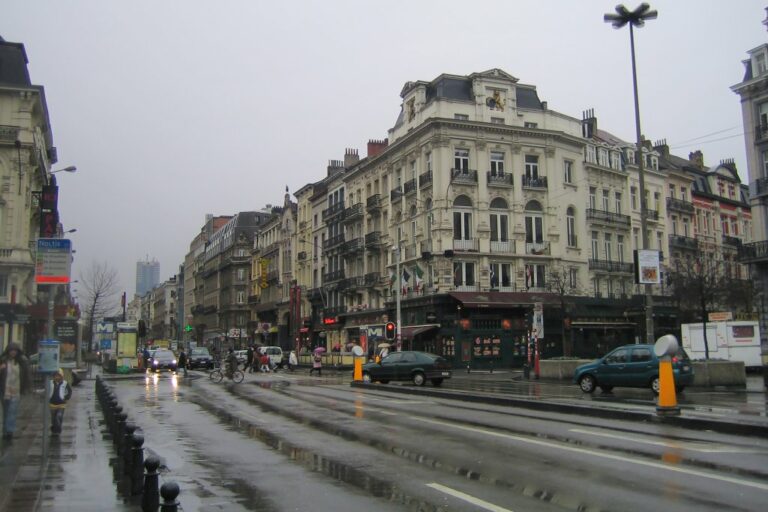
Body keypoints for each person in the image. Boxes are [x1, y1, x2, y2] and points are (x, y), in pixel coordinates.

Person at [0, 343, 32, 441]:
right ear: (8, 351)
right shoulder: (3, 360)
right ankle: (5, 431)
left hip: (16, 390)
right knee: (6, 411)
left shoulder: (22, 362)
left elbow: (27, 375)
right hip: (4, 390)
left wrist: (28, 387)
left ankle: (10, 431)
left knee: (12, 411)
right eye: (11, 350)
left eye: (15, 350)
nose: (13, 352)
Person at [48, 368, 72, 436]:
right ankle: (54, 428)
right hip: (52, 404)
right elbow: (47, 390)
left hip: (61, 404)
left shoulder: (65, 383)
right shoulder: (51, 383)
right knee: (53, 418)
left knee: (59, 416)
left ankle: (58, 429)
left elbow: (69, 392)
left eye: (58, 375)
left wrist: (66, 398)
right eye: (55, 376)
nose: (57, 377)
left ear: (62, 376)